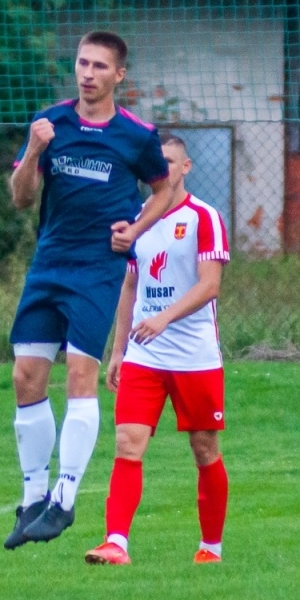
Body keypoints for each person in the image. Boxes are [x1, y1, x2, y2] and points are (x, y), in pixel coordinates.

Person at [4, 31, 176, 548]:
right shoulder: (51, 123)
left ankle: (65, 498)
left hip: (98, 270)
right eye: (82, 63)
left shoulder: (137, 136)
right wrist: (34, 149)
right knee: (25, 376)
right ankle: (33, 496)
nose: (88, 73)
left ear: (119, 75)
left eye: (100, 66)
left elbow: (163, 188)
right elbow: (20, 198)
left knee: (80, 373)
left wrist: (137, 228)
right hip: (50, 263)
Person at [87, 134, 230, 566]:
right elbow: (130, 285)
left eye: (170, 162)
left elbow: (210, 285)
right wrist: (118, 351)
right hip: (144, 355)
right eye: (156, 163)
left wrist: (164, 317)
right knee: (127, 443)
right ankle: (116, 543)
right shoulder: (137, 222)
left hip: (195, 356)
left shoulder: (204, 217)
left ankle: (211, 548)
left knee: (204, 449)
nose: (162, 170)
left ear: (186, 167)